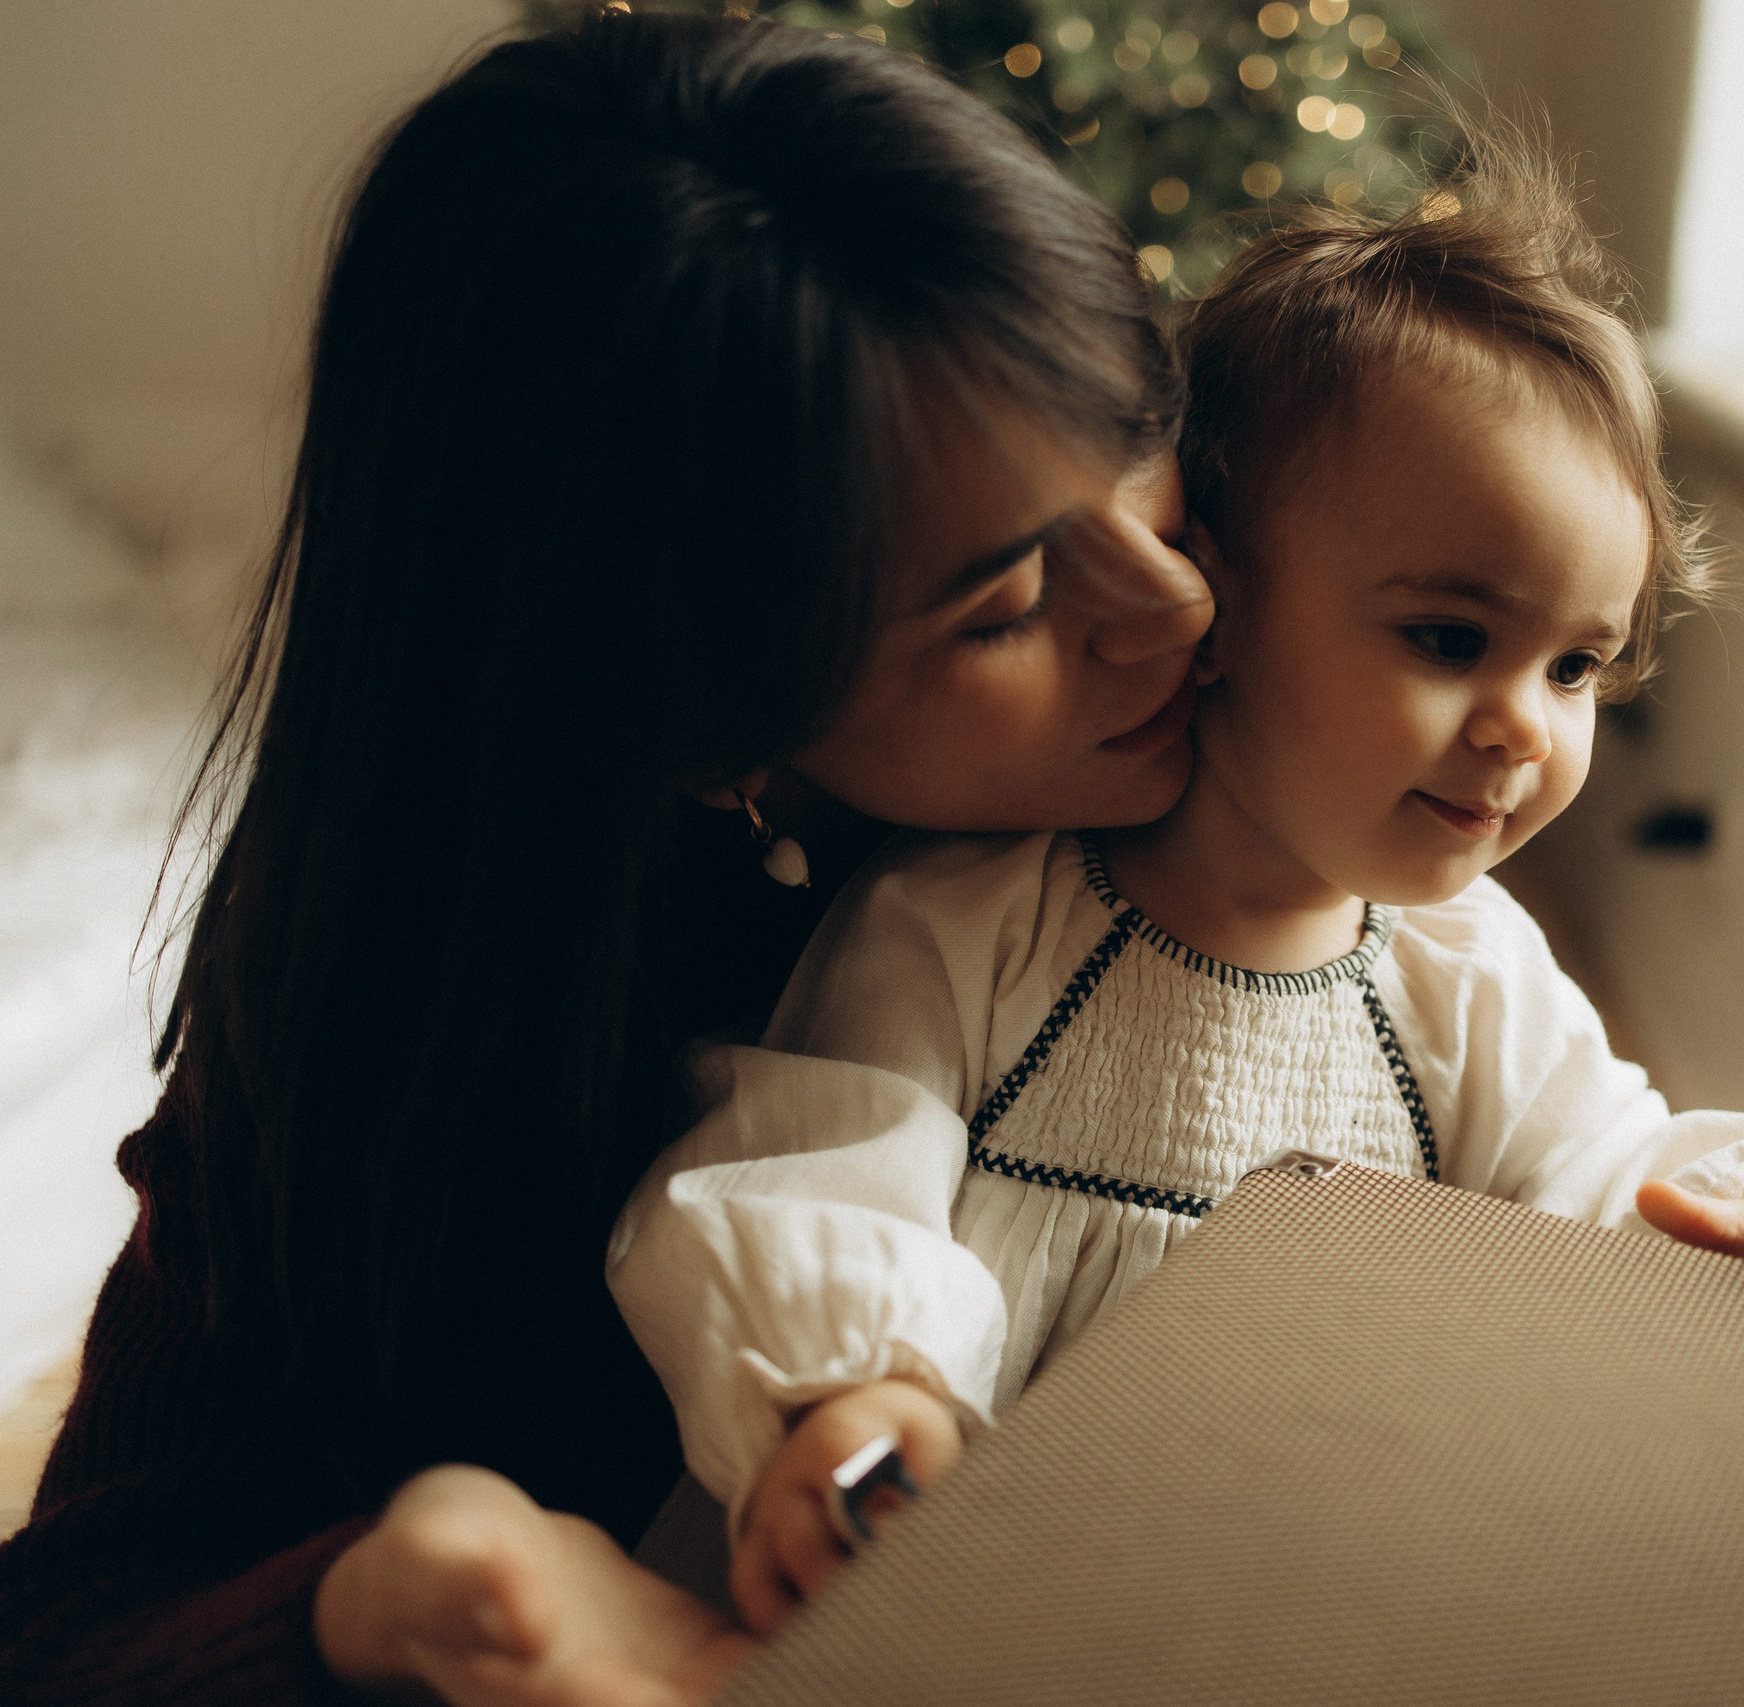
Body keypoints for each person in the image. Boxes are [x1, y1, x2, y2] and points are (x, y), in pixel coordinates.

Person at [0, 13, 1222, 1704]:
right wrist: (372, 1599)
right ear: (700, 718)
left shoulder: (1280, 748)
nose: (1181, 604)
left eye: (1142, 441)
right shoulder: (401, 1015)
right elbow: (72, 1620)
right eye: (1005, 606)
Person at [608, 132, 1744, 1635]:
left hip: (1288, 1577)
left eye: (1576, 664)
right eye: (1450, 639)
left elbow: (1594, 1178)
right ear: (1219, 596)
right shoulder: (972, 917)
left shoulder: (1472, 977)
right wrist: (861, 1395)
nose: (1526, 727)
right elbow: (819, 1166)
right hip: (982, 1564)